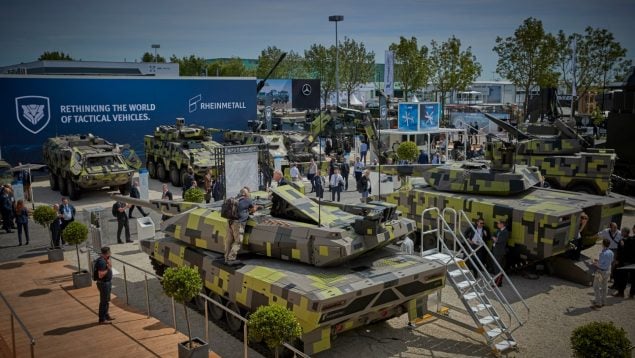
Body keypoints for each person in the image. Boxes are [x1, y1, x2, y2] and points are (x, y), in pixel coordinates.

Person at [225, 188, 255, 263]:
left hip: (229, 222)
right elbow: (253, 209)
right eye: (248, 192)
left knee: (229, 241)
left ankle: (226, 257)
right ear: (245, 194)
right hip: (238, 223)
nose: (249, 193)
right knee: (238, 241)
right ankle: (231, 258)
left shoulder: (235, 199)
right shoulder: (247, 200)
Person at [591, 238, 614, 309]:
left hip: (601, 271)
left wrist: (594, 262)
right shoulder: (611, 252)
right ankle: (603, 301)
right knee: (604, 286)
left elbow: (599, 265)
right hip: (607, 270)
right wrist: (598, 261)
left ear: (603, 244)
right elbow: (610, 261)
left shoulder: (602, 253)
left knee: (596, 287)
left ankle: (598, 302)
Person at [95, 246, 114, 324]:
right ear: (107, 253)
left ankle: (106, 315)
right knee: (103, 301)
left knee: (106, 300)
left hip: (107, 283)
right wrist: (108, 268)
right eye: (110, 252)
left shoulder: (105, 259)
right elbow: (100, 275)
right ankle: (101, 319)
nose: (110, 254)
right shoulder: (101, 262)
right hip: (103, 284)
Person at [491, 219, 508, 287]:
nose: (497, 224)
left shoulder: (505, 232)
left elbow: (499, 240)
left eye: (498, 223)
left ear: (502, 224)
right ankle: (497, 281)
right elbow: (493, 234)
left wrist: (495, 239)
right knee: (495, 266)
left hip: (499, 252)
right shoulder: (499, 230)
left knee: (498, 267)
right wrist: (494, 238)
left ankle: (498, 283)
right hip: (496, 250)